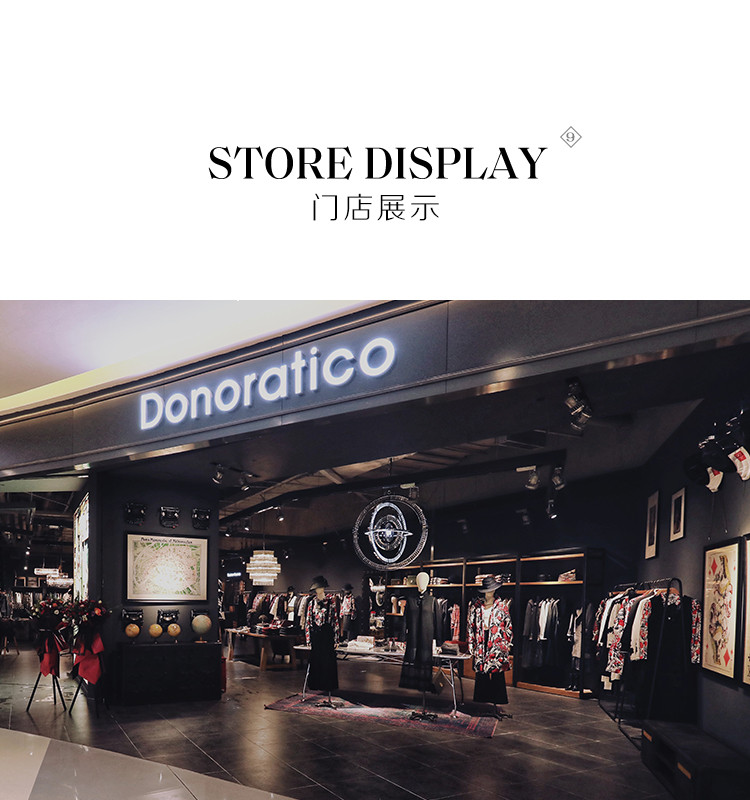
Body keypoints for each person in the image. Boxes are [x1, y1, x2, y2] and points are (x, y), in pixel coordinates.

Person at [467, 576, 513, 715]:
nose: (489, 592)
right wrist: (471, 643)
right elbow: (471, 626)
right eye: (487, 590)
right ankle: (483, 702)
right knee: (482, 671)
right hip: (481, 640)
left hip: (497, 642)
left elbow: (508, 626)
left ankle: (496, 702)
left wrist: (507, 643)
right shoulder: (476, 607)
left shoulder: (502, 606)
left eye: (491, 590)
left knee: (497, 671)